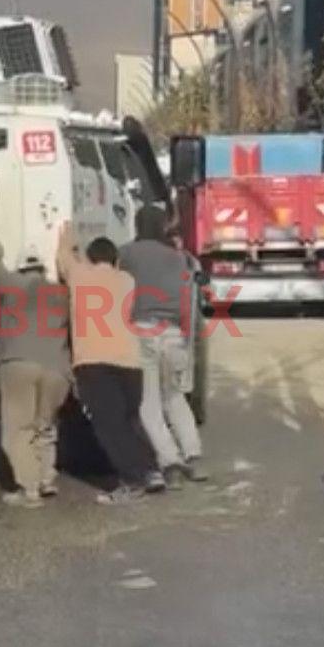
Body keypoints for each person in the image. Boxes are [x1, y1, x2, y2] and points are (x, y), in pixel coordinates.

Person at [56, 222, 163, 505]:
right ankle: (151, 470)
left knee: (110, 426)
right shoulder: (127, 280)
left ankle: (132, 482)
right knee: (130, 420)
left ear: (90, 259)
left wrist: (68, 234)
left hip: (94, 362)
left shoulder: (79, 275)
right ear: (116, 261)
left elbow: (64, 257)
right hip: (130, 361)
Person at [119, 205, 208, 490]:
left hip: (142, 331)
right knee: (175, 398)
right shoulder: (179, 258)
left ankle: (171, 462)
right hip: (174, 333)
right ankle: (193, 455)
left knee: (149, 404)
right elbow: (189, 294)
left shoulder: (127, 253)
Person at [0, 240, 71, 509]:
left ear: (21, 269)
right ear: (43, 269)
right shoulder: (62, 293)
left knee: (18, 429)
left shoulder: (11, 283)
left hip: (18, 364)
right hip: (57, 368)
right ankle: (46, 478)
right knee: (45, 426)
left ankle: (29, 489)